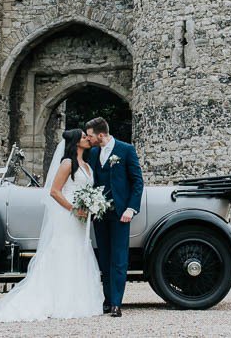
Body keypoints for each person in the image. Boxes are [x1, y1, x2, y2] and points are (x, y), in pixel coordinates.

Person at [0, 129, 104, 322]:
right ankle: (58, 300)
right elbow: (55, 192)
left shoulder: (86, 165)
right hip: (68, 217)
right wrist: (74, 209)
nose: (87, 139)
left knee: (79, 252)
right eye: (83, 137)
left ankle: (77, 299)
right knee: (65, 252)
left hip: (82, 218)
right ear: (75, 142)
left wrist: (91, 205)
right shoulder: (67, 163)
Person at [85, 116, 144, 318]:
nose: (88, 139)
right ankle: (107, 300)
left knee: (119, 259)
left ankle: (117, 304)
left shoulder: (126, 150)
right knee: (104, 257)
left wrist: (131, 208)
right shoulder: (93, 153)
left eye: (91, 135)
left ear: (101, 135)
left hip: (120, 214)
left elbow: (137, 182)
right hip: (99, 214)